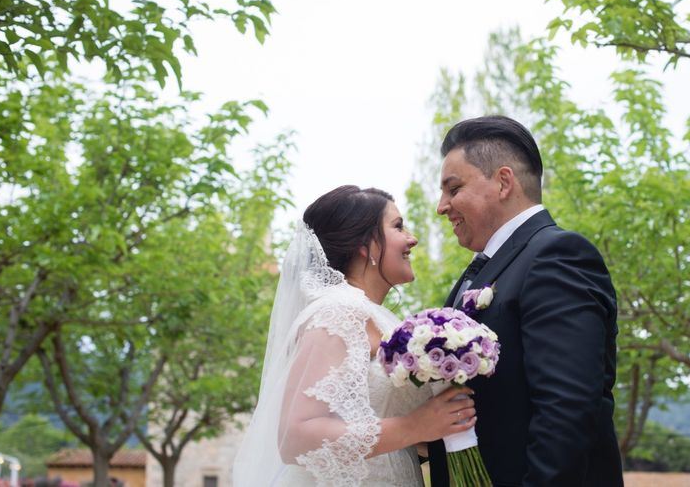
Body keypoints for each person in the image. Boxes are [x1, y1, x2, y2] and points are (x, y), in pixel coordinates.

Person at [233, 185, 476, 486]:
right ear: (366, 245)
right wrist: (414, 427)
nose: (412, 238)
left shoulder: (375, 317)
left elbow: (366, 417)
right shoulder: (338, 312)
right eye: (398, 226)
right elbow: (294, 437)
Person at [429, 116, 624, 486]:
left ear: (504, 182)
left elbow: (565, 411)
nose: (442, 206)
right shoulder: (486, 267)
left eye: (453, 189)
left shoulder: (558, 255)